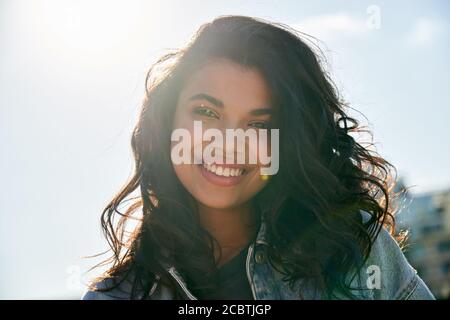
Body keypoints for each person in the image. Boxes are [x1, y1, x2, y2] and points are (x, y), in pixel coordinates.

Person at [82, 15, 434, 300]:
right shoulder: (113, 297)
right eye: (206, 111)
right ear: (167, 119)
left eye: (259, 124)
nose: (229, 143)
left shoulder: (350, 249)